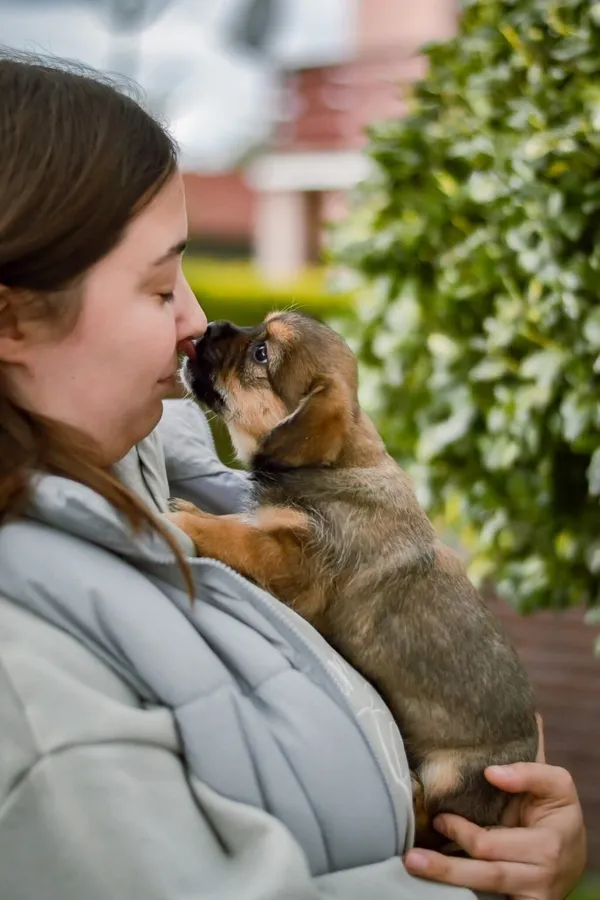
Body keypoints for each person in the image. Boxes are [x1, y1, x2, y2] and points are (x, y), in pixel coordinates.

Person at [0, 52, 586, 900]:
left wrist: (519, 847)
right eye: (160, 287)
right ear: (12, 318)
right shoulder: (29, 687)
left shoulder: (151, 459)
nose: (198, 321)